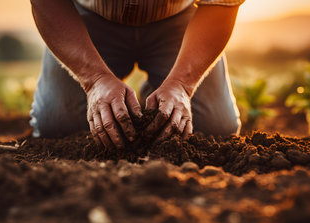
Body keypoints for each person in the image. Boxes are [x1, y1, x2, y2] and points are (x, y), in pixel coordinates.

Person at [30, 0, 244, 149]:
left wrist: (181, 83)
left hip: (181, 22)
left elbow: (222, 3)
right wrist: (94, 79)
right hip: (86, 21)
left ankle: (158, 93)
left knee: (215, 127)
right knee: (57, 124)